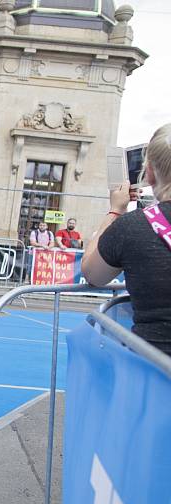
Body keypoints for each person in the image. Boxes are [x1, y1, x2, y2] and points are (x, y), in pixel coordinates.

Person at [82, 123, 171, 355]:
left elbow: (93, 274)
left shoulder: (132, 227)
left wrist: (115, 210)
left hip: (154, 371)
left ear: (149, 172)